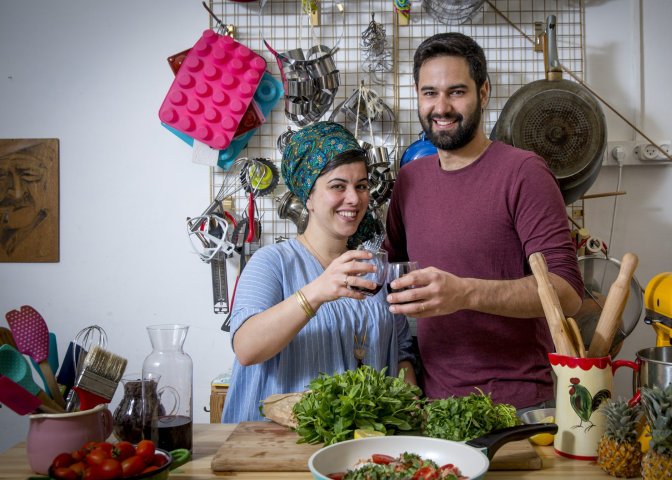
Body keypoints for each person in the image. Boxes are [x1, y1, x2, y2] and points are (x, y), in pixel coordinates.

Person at [382, 33, 583, 411]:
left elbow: (568, 293)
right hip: (434, 406)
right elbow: (390, 277)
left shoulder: (523, 173)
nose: (441, 107)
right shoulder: (410, 179)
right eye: (429, 93)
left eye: (456, 91)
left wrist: (466, 293)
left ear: (484, 92)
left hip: (516, 405)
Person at [222, 121, 416, 423]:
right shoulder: (271, 262)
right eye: (338, 186)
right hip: (274, 446)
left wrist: (411, 415)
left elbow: (402, 353)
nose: (354, 198)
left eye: (361, 186)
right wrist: (315, 292)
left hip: (354, 444)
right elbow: (246, 348)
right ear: (307, 196)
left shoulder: (375, 267)